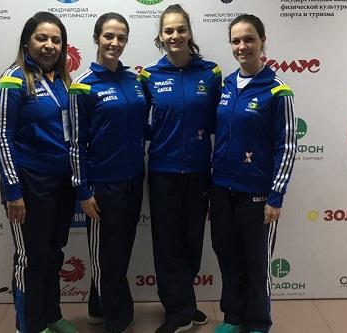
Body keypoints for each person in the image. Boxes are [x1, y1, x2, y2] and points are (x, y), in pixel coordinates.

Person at [0, 11, 77, 333]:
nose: (49, 45)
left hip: (62, 184)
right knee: (31, 258)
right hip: (28, 184)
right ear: (28, 41)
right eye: (42, 38)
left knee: (54, 253)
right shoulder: (13, 79)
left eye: (56, 40)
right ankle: (29, 325)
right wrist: (13, 191)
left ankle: (52, 316)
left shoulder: (65, 82)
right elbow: (2, 136)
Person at [210, 14, 296, 333]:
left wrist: (276, 196)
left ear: (263, 41)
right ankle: (233, 317)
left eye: (249, 39)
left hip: (258, 194)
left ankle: (258, 321)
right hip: (222, 189)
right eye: (236, 40)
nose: (242, 46)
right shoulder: (227, 84)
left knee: (256, 263)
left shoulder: (277, 91)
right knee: (228, 257)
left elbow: (286, 147)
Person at [139, 4, 222, 333]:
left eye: (181, 29)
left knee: (192, 241)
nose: (175, 35)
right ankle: (177, 311)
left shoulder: (211, 73)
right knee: (167, 243)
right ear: (161, 36)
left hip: (200, 172)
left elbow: (223, 119)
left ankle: (184, 302)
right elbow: (137, 121)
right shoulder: (149, 75)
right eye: (169, 30)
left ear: (190, 33)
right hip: (163, 172)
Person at [68, 12, 148, 333]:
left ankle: (97, 309)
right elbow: (74, 142)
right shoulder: (83, 85)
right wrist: (84, 191)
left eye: (121, 38)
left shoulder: (134, 80)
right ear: (97, 38)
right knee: (106, 257)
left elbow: (144, 127)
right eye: (109, 37)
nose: (115, 43)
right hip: (103, 186)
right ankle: (117, 321)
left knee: (120, 251)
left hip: (133, 180)